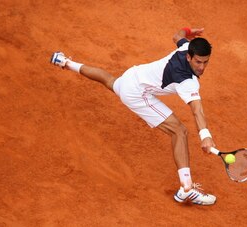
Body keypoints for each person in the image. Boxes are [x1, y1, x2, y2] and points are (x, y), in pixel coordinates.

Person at [51, 27, 217, 205]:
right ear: (189, 57)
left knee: (108, 80)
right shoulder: (186, 81)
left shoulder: (186, 47)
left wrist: (188, 31)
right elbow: (196, 110)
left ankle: (65, 63)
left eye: (205, 62)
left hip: (133, 75)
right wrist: (205, 136)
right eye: (198, 62)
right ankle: (186, 188)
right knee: (179, 131)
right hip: (138, 93)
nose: (201, 67)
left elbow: (178, 35)